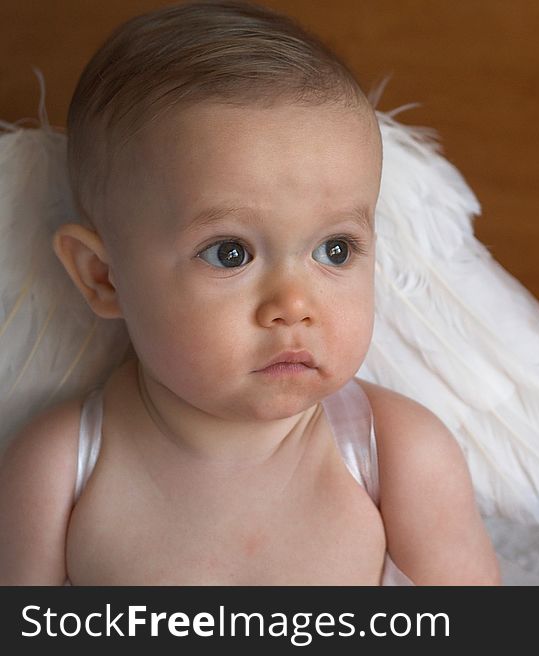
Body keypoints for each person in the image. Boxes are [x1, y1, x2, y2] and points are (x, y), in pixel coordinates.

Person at [0, 0, 500, 585]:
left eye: (335, 250)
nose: (293, 305)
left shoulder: (394, 454)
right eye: (229, 253)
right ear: (102, 276)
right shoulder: (61, 467)